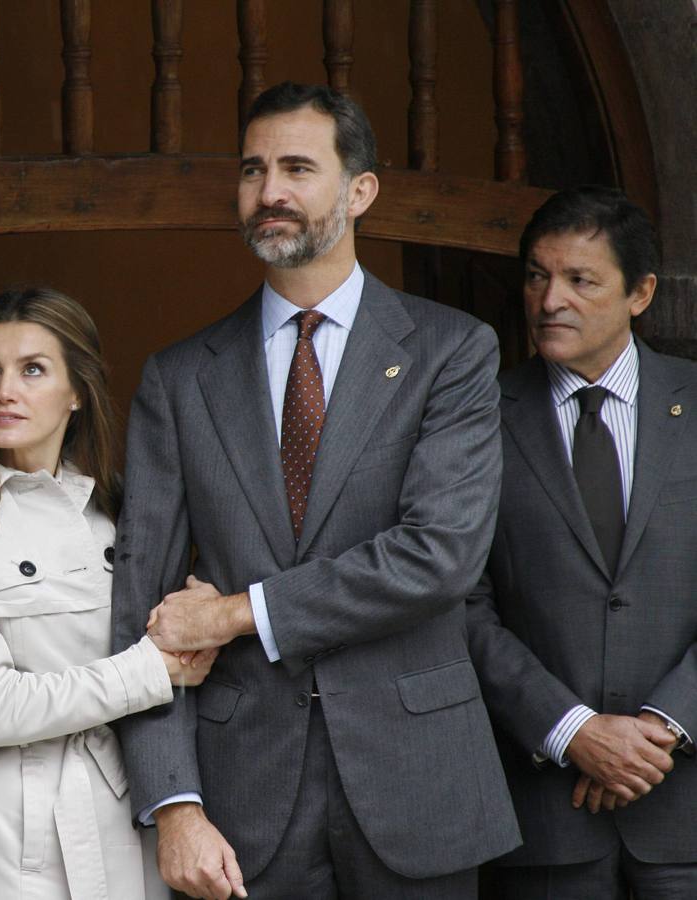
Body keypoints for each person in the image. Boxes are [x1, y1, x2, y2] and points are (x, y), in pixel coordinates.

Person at [110, 81, 521, 899]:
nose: (270, 193)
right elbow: (142, 603)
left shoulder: (453, 351)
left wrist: (234, 612)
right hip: (238, 803)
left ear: (360, 190)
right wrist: (175, 805)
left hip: (421, 784)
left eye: (298, 168)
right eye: (253, 170)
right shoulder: (180, 376)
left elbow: (436, 558)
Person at [0, 287, 218, 899]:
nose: (3, 390)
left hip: (127, 805)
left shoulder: (122, 507)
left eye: (32, 370)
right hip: (10, 824)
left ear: (76, 391)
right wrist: (152, 669)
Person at [466, 186, 696, 899]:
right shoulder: (476, 417)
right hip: (543, 826)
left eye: (579, 279)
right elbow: (458, 601)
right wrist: (574, 731)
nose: (550, 299)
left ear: (641, 292)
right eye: (537, 276)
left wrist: (660, 729)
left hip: (685, 813)